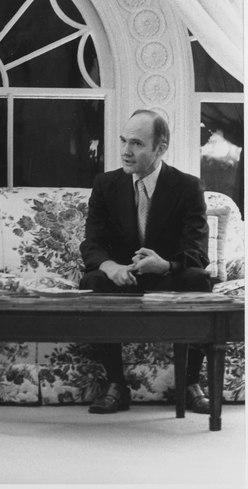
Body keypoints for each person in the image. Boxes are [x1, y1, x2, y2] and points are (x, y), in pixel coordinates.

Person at [80, 109, 212, 415]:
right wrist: (112, 267)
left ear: (160, 147)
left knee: (198, 279)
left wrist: (164, 264)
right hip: (122, 278)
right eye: (124, 141)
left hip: (167, 275)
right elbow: (92, 243)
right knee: (93, 282)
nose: (126, 151)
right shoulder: (105, 185)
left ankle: (190, 382)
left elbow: (197, 250)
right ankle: (115, 384)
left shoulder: (188, 187)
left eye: (137, 143)